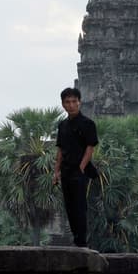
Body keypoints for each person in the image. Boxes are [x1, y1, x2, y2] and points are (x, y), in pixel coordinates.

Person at [52, 86, 98, 247]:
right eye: (67, 102)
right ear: (63, 104)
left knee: (79, 206)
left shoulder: (88, 124)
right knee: (69, 206)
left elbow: (90, 147)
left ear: (79, 103)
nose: (71, 105)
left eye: (74, 101)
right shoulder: (62, 125)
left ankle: (82, 242)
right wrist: (56, 171)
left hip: (80, 170)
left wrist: (81, 167)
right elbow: (60, 149)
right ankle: (76, 239)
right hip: (66, 170)